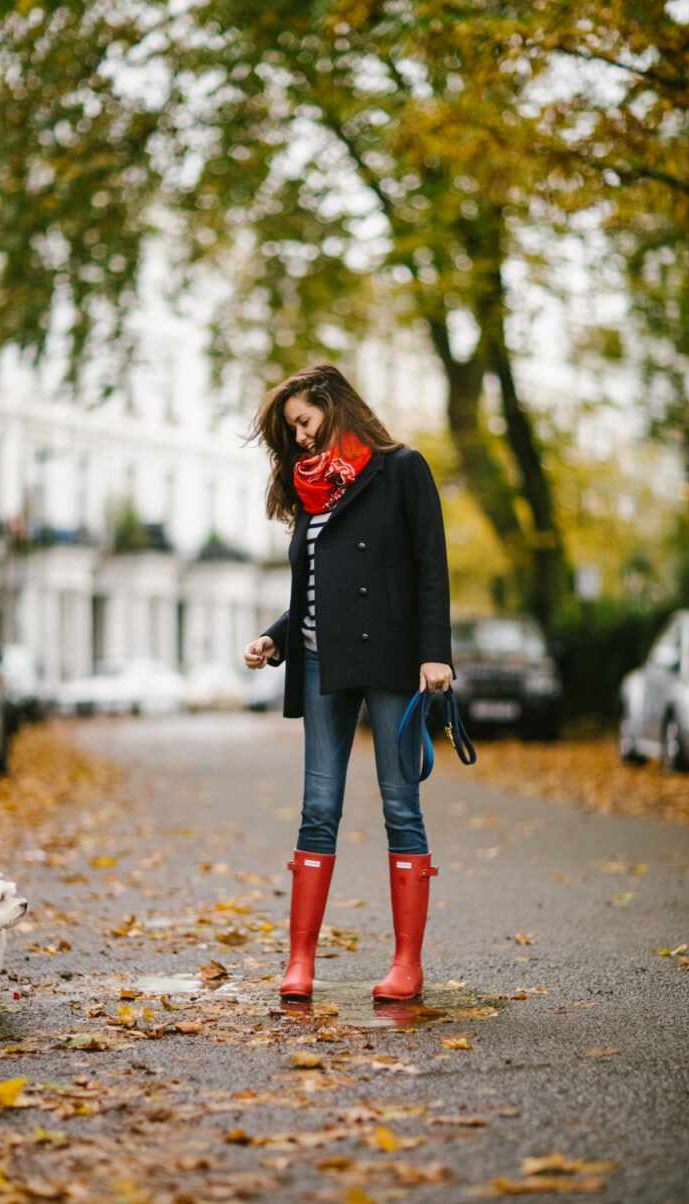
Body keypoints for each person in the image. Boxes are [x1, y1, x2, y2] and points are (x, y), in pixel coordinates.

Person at [243, 363, 454, 1004]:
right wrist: (278, 636)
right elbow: (317, 586)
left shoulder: (401, 469)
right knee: (318, 808)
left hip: (393, 662)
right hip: (320, 662)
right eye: (292, 432)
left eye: (304, 422)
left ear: (333, 406)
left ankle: (406, 966)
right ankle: (300, 961)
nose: (300, 440)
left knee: (400, 807)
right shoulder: (311, 491)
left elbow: (429, 567)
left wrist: (435, 653)